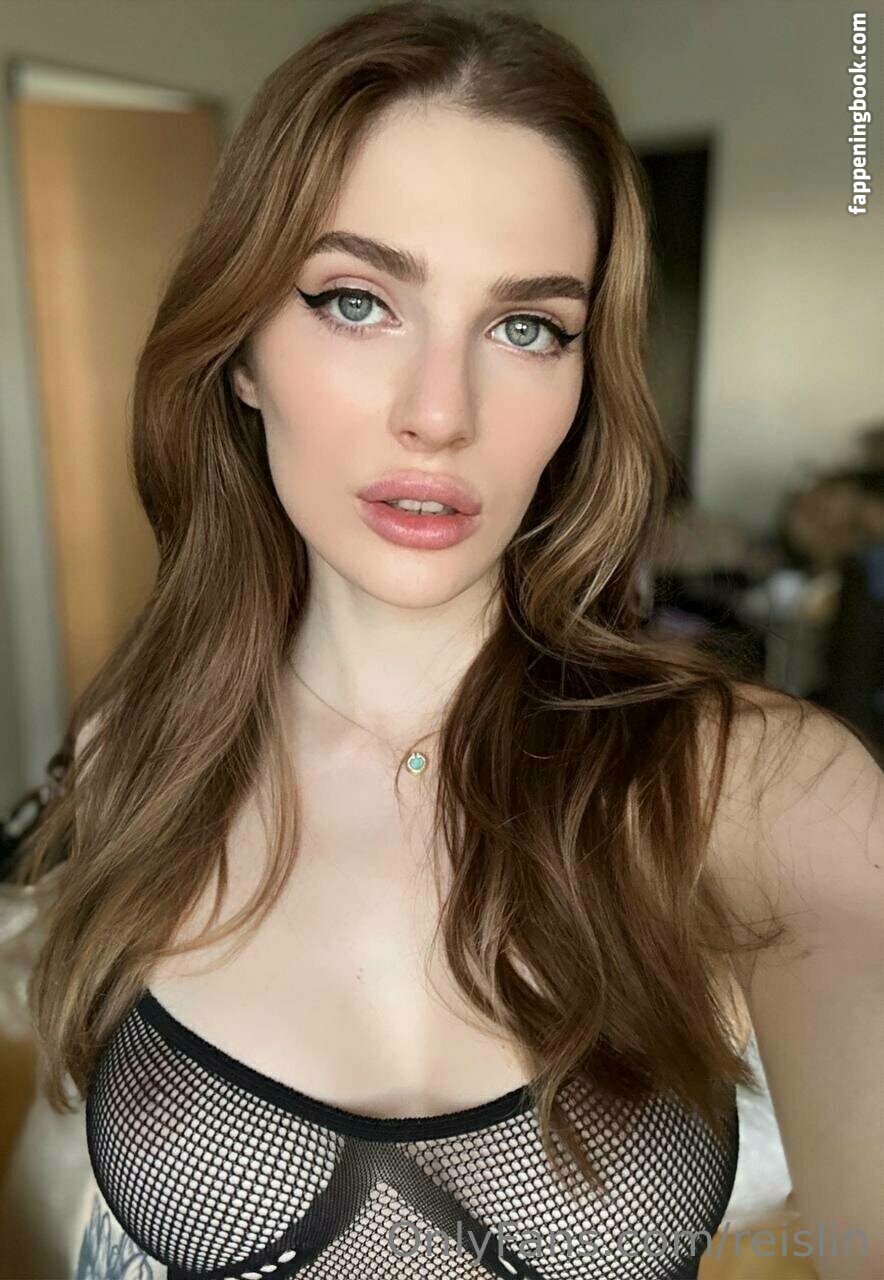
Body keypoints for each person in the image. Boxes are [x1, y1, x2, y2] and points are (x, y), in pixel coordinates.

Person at [12, 3, 882, 1278]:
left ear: (583, 381)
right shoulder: (138, 743)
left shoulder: (760, 794)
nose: (439, 412)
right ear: (241, 350)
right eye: (356, 301)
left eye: (526, 327)